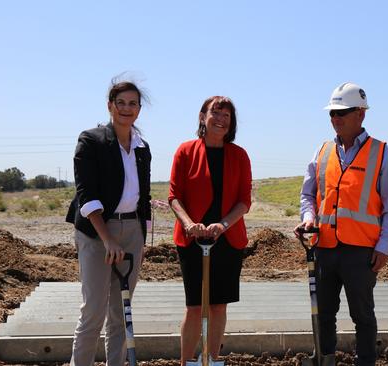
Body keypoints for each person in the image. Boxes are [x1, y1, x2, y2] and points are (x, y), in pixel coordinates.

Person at [295, 82, 388, 366]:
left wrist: (385, 246)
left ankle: (365, 362)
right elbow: (307, 195)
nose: (335, 119)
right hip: (325, 248)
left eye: (342, 112)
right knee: (323, 312)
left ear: (361, 115)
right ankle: (324, 359)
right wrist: (308, 219)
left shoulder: (382, 155)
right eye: (332, 113)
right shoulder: (322, 152)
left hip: (361, 253)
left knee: (362, 315)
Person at [65, 79, 152, 366]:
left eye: (133, 103)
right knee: (93, 310)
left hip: (131, 232)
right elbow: (86, 195)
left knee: (120, 311)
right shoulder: (92, 140)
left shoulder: (142, 147)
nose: (127, 108)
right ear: (110, 106)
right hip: (97, 231)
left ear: (139, 109)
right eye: (121, 103)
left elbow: (144, 196)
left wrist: (141, 237)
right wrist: (107, 239)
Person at [168, 96, 252, 366]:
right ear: (202, 117)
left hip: (227, 239)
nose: (221, 119)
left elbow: (244, 201)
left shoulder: (239, 155)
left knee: (218, 306)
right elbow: (174, 196)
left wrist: (224, 224)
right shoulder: (186, 151)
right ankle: (186, 361)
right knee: (194, 307)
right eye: (215, 113)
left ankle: (213, 360)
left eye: (226, 115)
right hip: (194, 240)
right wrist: (188, 223)